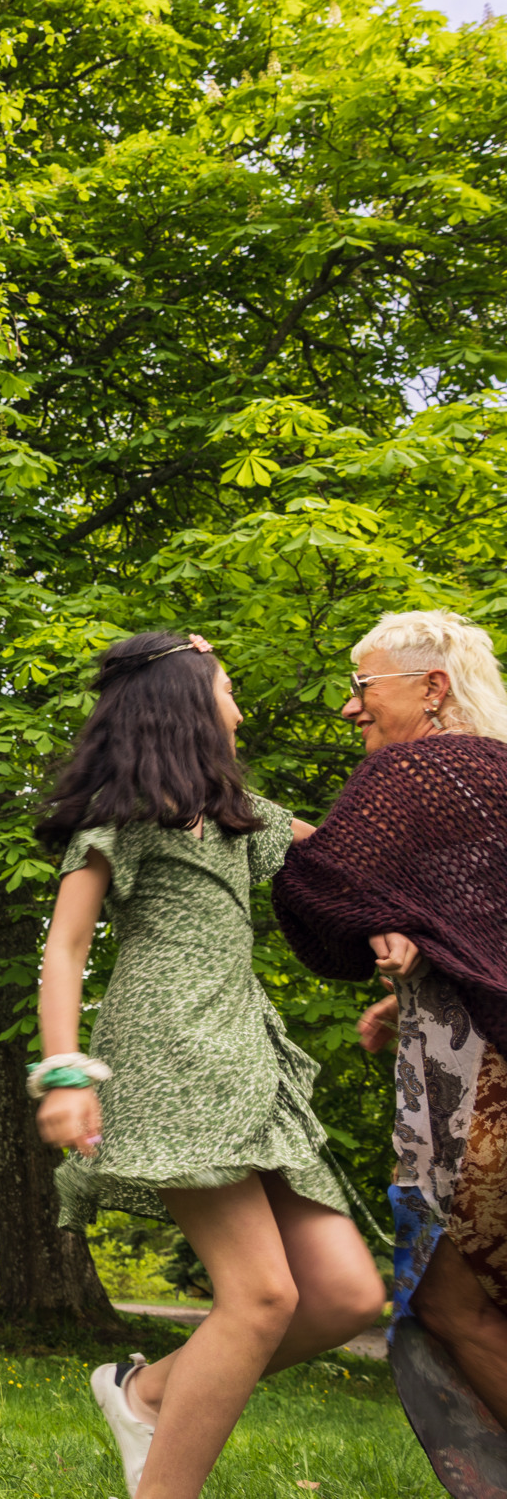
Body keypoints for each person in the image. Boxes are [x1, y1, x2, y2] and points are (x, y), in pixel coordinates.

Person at [32, 631, 384, 1499]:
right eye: (227, 690)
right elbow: (66, 949)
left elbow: (346, 864)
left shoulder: (243, 817)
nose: (240, 707)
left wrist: (408, 927)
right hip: (170, 1055)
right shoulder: (122, 818)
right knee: (262, 1298)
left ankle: (143, 1391)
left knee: (342, 1298)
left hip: (249, 1060)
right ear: (187, 707)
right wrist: (65, 1072)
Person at [275, 611, 507, 1436]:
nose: (350, 708)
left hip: (492, 1101)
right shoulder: (496, 778)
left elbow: (321, 884)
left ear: (432, 688)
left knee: (452, 1308)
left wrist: (219, 798)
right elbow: (479, 929)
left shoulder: (417, 772)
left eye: (363, 686)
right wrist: (431, 970)